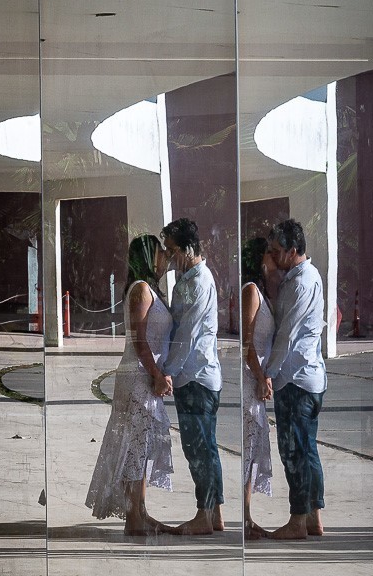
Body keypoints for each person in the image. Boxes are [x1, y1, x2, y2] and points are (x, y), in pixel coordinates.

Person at [85, 234, 176, 536]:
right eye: (161, 253)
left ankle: (140, 510)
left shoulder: (151, 289)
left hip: (146, 376)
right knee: (134, 445)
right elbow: (139, 340)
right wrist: (155, 374)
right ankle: (132, 515)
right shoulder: (140, 290)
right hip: (139, 376)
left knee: (143, 444)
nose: (166, 257)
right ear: (150, 257)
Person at [160, 217, 224, 535]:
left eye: (172, 250)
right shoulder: (185, 280)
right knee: (204, 447)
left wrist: (165, 373)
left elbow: (186, 335)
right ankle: (215, 513)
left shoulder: (198, 282)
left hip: (196, 376)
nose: (169, 256)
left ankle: (205, 514)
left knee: (199, 448)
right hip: (192, 375)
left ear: (187, 248)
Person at [263, 219, 326, 540]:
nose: (271, 256)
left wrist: (266, 374)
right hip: (304, 377)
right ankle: (313, 517)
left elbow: (285, 335)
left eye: (275, 251)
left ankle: (298, 520)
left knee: (294, 451)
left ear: (291, 251)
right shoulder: (296, 278)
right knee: (307, 449)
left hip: (297, 379)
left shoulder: (302, 283)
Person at [240, 236, 278, 539]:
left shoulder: (262, 290)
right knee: (249, 447)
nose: (273, 256)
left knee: (253, 449)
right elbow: (247, 344)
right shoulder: (251, 291)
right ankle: (245, 517)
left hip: (257, 377)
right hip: (251, 379)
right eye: (268, 252)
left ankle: (247, 516)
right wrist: (261, 376)